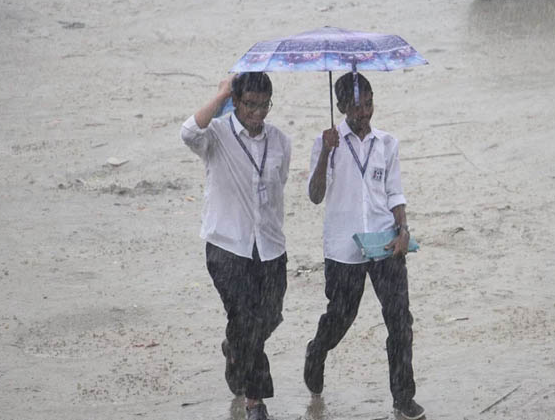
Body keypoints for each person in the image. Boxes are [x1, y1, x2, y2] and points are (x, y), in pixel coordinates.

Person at [304, 72, 425, 420]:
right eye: (356, 106)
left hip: (385, 243)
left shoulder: (387, 143)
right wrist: (326, 154)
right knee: (342, 316)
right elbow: (314, 196)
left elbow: (395, 193)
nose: (364, 113)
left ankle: (404, 398)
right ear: (341, 107)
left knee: (400, 321)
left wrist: (403, 230)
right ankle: (317, 350)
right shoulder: (327, 142)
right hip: (343, 247)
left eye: (369, 104)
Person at [180, 72, 291, 420]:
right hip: (227, 244)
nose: (256, 113)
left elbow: (277, 189)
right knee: (245, 318)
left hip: (270, 245)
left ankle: (234, 349)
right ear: (236, 102)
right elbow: (188, 132)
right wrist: (221, 94)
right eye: (249, 105)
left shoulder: (281, 141)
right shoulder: (217, 134)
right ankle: (255, 401)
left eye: (263, 105)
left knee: (269, 316)